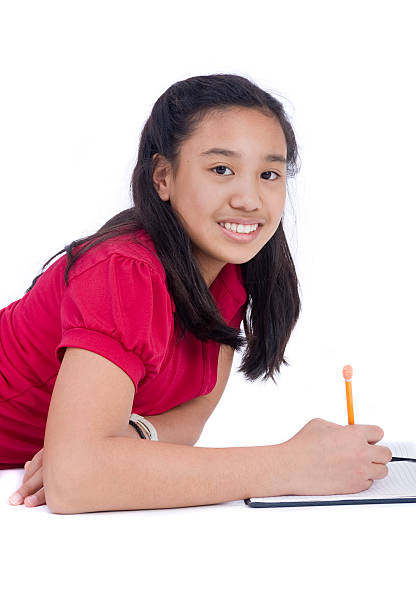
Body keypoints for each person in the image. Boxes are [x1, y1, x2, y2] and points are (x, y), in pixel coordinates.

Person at [1, 73, 391, 514]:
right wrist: (293, 463)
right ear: (162, 177)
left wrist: (110, 451)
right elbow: (75, 484)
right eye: (222, 169)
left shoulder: (231, 274)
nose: (249, 198)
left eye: (269, 173)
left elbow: (189, 419)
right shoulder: (123, 271)